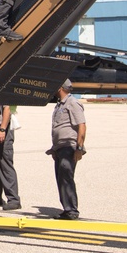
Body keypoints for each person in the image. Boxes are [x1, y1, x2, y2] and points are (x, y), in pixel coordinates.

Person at [49, 79, 86, 219]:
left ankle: (72, 210)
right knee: (61, 178)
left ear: (60, 88)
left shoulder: (73, 103)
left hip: (68, 147)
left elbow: (81, 125)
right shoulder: (59, 105)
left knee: (66, 177)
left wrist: (79, 148)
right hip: (59, 148)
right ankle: (67, 208)